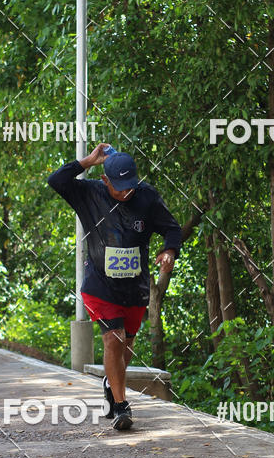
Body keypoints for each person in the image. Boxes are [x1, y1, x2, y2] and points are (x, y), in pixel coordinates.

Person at [47, 143, 182, 430]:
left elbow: (172, 228)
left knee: (126, 346)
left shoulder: (146, 197)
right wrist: (87, 162)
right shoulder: (88, 193)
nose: (126, 192)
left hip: (135, 287)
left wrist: (169, 250)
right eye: (119, 186)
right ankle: (122, 407)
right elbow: (56, 180)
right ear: (105, 179)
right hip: (100, 285)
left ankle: (112, 382)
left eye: (130, 185)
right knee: (114, 339)